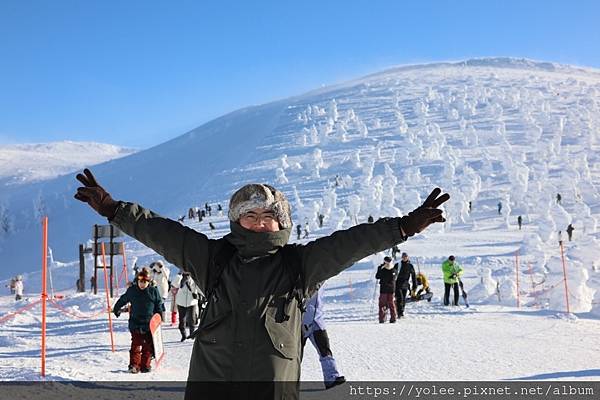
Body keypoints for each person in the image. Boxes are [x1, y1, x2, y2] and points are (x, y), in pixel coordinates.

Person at [74, 168, 448, 399]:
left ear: (281, 221)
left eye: (268, 214)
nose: (259, 221)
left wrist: (402, 226)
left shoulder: (299, 265)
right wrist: (114, 209)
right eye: (248, 214)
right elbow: (163, 233)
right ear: (236, 221)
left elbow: (350, 243)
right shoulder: (213, 259)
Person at [112, 269, 165, 373]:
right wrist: (116, 308)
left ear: (148, 282)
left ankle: (145, 365)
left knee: (147, 346)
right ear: (137, 281)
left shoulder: (153, 291)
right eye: (140, 282)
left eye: (145, 282)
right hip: (135, 323)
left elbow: (159, 304)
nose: (142, 284)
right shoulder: (132, 291)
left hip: (149, 325)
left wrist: (159, 316)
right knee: (135, 345)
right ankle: (134, 366)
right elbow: (123, 299)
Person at [301, 287, 346, 390]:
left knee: (325, 349)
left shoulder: (321, 277)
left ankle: (331, 377)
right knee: (294, 355)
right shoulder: (304, 276)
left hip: (317, 321)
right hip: (301, 322)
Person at [176, 271, 202, 341]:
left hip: (191, 302)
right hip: (181, 302)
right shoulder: (179, 278)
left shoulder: (194, 278)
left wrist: (203, 294)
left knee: (192, 320)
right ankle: (183, 335)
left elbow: (199, 287)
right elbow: (175, 285)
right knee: (182, 320)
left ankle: (192, 334)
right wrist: (179, 275)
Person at [376, 256, 398, 323]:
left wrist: (381, 269)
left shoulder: (393, 269)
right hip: (385, 289)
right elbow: (377, 276)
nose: (387, 263)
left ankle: (392, 318)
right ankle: (383, 318)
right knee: (384, 304)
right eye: (386, 261)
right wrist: (380, 269)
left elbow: (393, 278)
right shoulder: (382, 268)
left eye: (388, 262)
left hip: (389, 289)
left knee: (389, 304)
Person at [395, 253, 416, 318]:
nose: (404, 258)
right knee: (400, 298)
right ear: (401, 257)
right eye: (403, 257)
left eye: (405, 257)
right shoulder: (398, 265)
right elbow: (392, 274)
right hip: (397, 284)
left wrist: (414, 285)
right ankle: (399, 313)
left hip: (405, 284)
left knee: (403, 299)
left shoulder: (410, 266)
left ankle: (401, 312)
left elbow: (413, 276)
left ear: (408, 257)